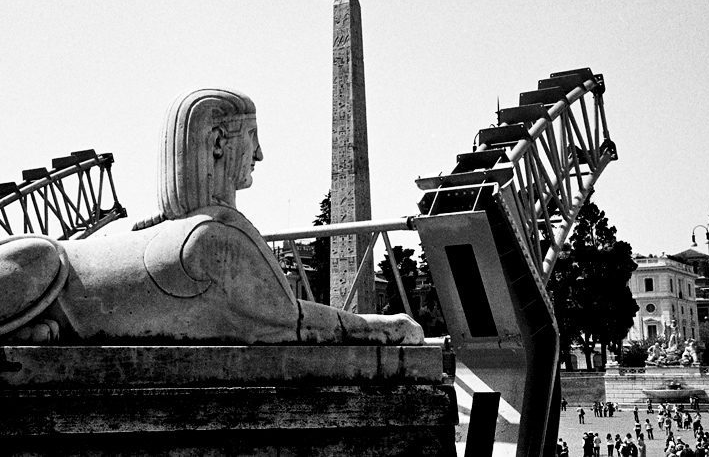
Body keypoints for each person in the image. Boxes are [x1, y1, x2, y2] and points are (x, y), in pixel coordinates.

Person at [0, 87, 423, 347]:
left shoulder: (193, 232)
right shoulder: (210, 238)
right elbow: (286, 320)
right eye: (252, 137)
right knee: (39, 257)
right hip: (36, 277)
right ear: (219, 142)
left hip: (46, 303)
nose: (259, 154)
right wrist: (375, 326)